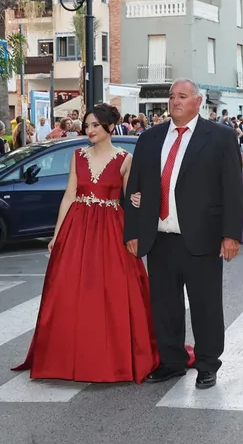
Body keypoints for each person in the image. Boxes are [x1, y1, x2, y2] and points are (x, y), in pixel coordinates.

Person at [13, 104, 158, 383]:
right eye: (87, 126)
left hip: (111, 229)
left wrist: (140, 208)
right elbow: (69, 196)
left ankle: (113, 358)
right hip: (77, 227)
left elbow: (130, 200)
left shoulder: (125, 159)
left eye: (95, 126)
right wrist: (57, 234)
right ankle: (66, 357)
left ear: (109, 128)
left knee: (112, 291)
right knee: (69, 290)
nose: (89, 130)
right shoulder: (77, 155)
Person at [124, 79, 243, 390]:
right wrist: (134, 231)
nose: (174, 101)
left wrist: (231, 235)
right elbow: (134, 188)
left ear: (198, 101)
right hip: (159, 237)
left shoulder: (219, 137)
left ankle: (207, 364)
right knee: (165, 307)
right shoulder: (150, 139)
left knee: (205, 305)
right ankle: (172, 361)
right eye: (171, 96)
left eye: (182, 96)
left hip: (202, 238)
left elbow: (233, 189)